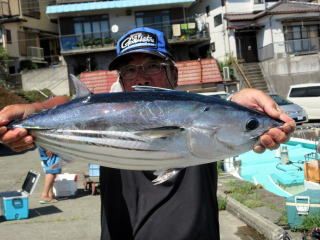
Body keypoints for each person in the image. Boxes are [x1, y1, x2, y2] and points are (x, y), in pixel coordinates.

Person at [0, 27, 295, 239]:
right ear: (120, 80)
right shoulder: (103, 114)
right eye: (129, 70)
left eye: (153, 66)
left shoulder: (203, 113)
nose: (140, 76)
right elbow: (71, 104)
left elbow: (219, 112)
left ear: (174, 75)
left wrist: (249, 115)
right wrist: (31, 112)